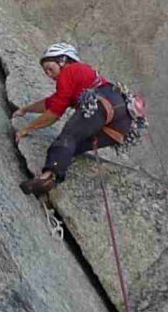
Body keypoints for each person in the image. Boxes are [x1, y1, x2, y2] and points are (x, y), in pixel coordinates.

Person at [11, 40, 134, 195]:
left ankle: (46, 179)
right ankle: (53, 178)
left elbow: (55, 113)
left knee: (67, 138)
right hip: (121, 124)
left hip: (103, 104)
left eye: (50, 68)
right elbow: (52, 102)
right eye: (46, 72)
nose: (49, 75)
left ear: (62, 60)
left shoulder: (70, 71)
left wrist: (26, 129)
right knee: (73, 148)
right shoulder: (80, 77)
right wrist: (26, 110)